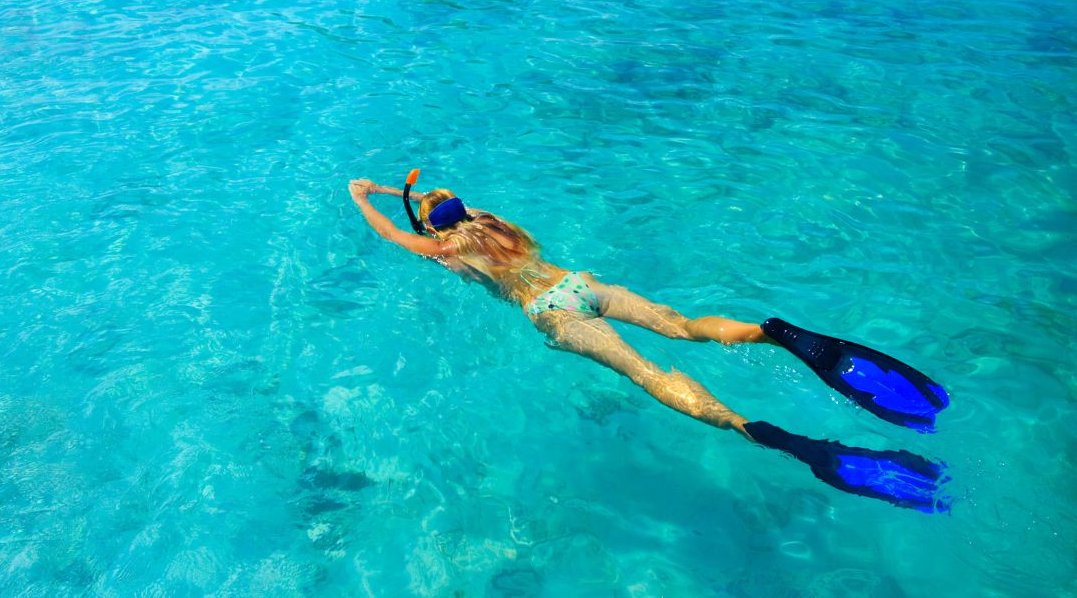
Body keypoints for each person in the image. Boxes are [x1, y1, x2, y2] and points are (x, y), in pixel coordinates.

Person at [348, 173, 953, 512]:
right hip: (581, 284)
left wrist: (364, 199)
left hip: (554, 313)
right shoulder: (495, 224)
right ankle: (768, 333)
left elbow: (398, 238)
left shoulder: (449, 250)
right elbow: (455, 207)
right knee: (682, 325)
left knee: (647, 373)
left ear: (435, 228)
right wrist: (422, 196)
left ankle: (747, 427)